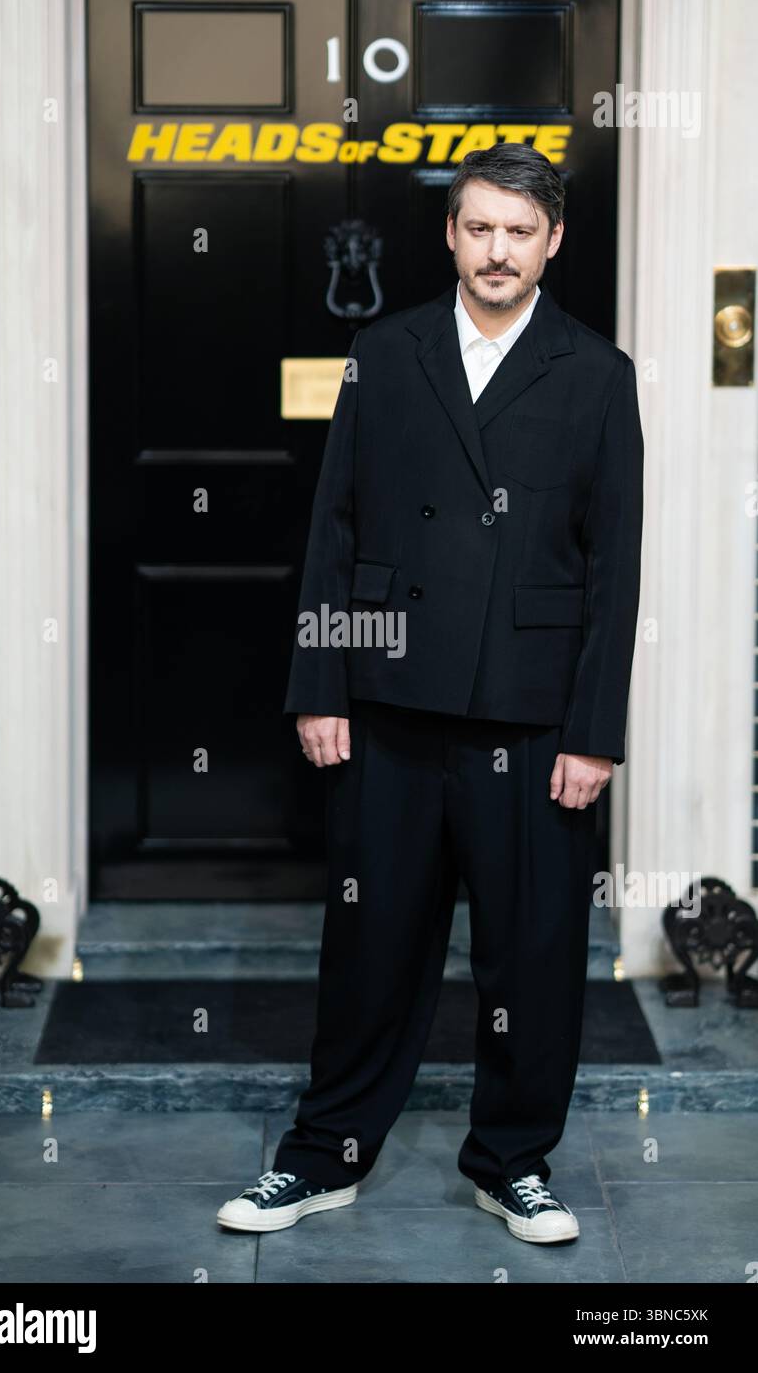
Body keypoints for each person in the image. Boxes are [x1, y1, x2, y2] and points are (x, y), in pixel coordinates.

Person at [217, 143, 644, 1244]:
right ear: (450, 234)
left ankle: (513, 1164)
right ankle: (322, 1158)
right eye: (478, 226)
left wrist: (595, 734)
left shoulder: (599, 373)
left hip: (536, 718)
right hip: (390, 711)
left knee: (534, 951)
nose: (496, 249)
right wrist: (322, 687)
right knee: (371, 947)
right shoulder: (384, 352)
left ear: (553, 241)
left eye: (518, 229)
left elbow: (614, 566)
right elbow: (337, 532)